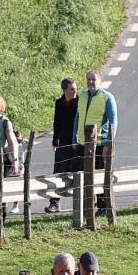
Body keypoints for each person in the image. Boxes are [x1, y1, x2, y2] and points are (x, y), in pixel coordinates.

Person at [74, 71, 118, 214]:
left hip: (99, 144)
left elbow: (113, 122)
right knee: (83, 175)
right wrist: (74, 137)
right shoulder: (83, 96)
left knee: (99, 176)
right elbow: (78, 117)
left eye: (93, 79)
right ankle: (87, 206)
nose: (90, 82)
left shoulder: (107, 97)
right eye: (88, 79)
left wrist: (108, 144)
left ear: (100, 80)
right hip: (82, 143)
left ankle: (103, 206)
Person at [49, 77, 80, 214]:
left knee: (78, 170)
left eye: (75, 89)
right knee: (59, 171)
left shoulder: (80, 102)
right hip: (63, 141)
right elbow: (57, 122)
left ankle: (85, 201)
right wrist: (55, 140)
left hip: (77, 140)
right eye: (72, 89)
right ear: (64, 90)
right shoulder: (59, 103)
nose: (74, 92)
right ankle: (54, 203)